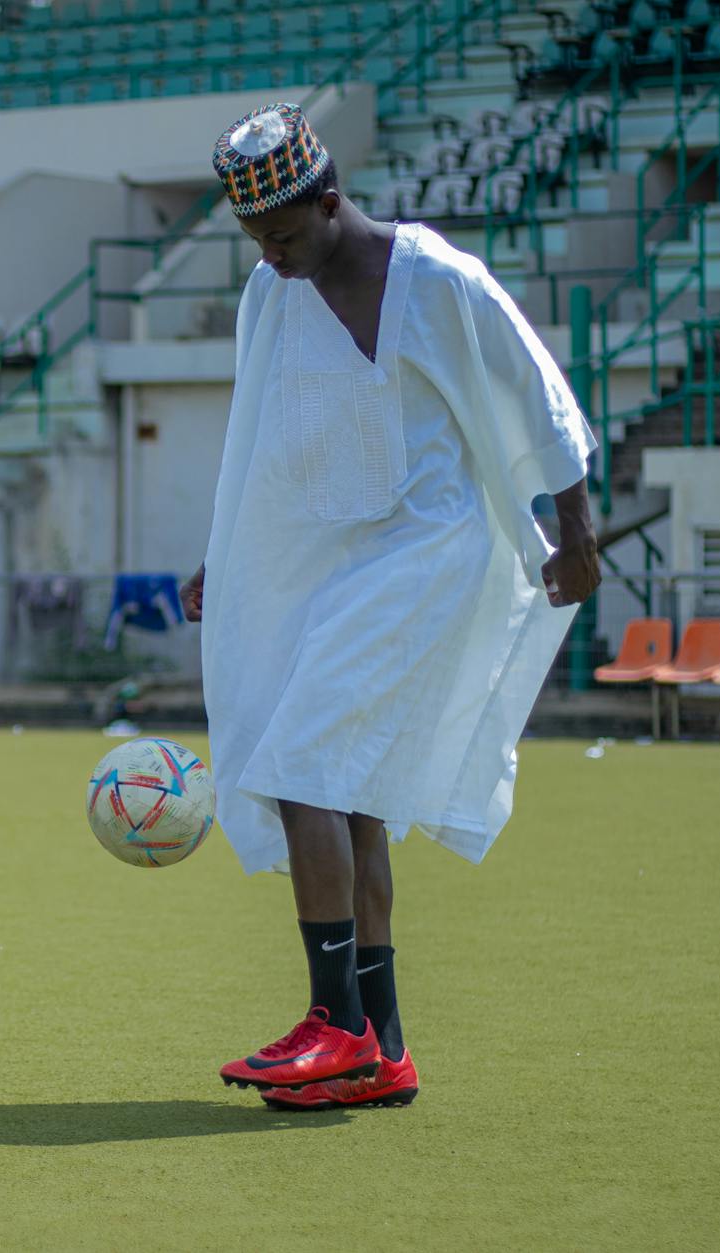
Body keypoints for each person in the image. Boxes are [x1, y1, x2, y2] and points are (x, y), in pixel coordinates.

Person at [179, 104, 601, 1110]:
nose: (272, 259)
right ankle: (382, 1048)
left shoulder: (439, 279)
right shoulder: (269, 294)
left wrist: (575, 533)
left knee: (299, 758)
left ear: (328, 202)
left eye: (282, 236)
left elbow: (536, 396)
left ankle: (333, 1025)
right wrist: (220, 557)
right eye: (255, 242)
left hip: (436, 551)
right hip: (337, 566)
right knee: (352, 799)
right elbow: (256, 437)